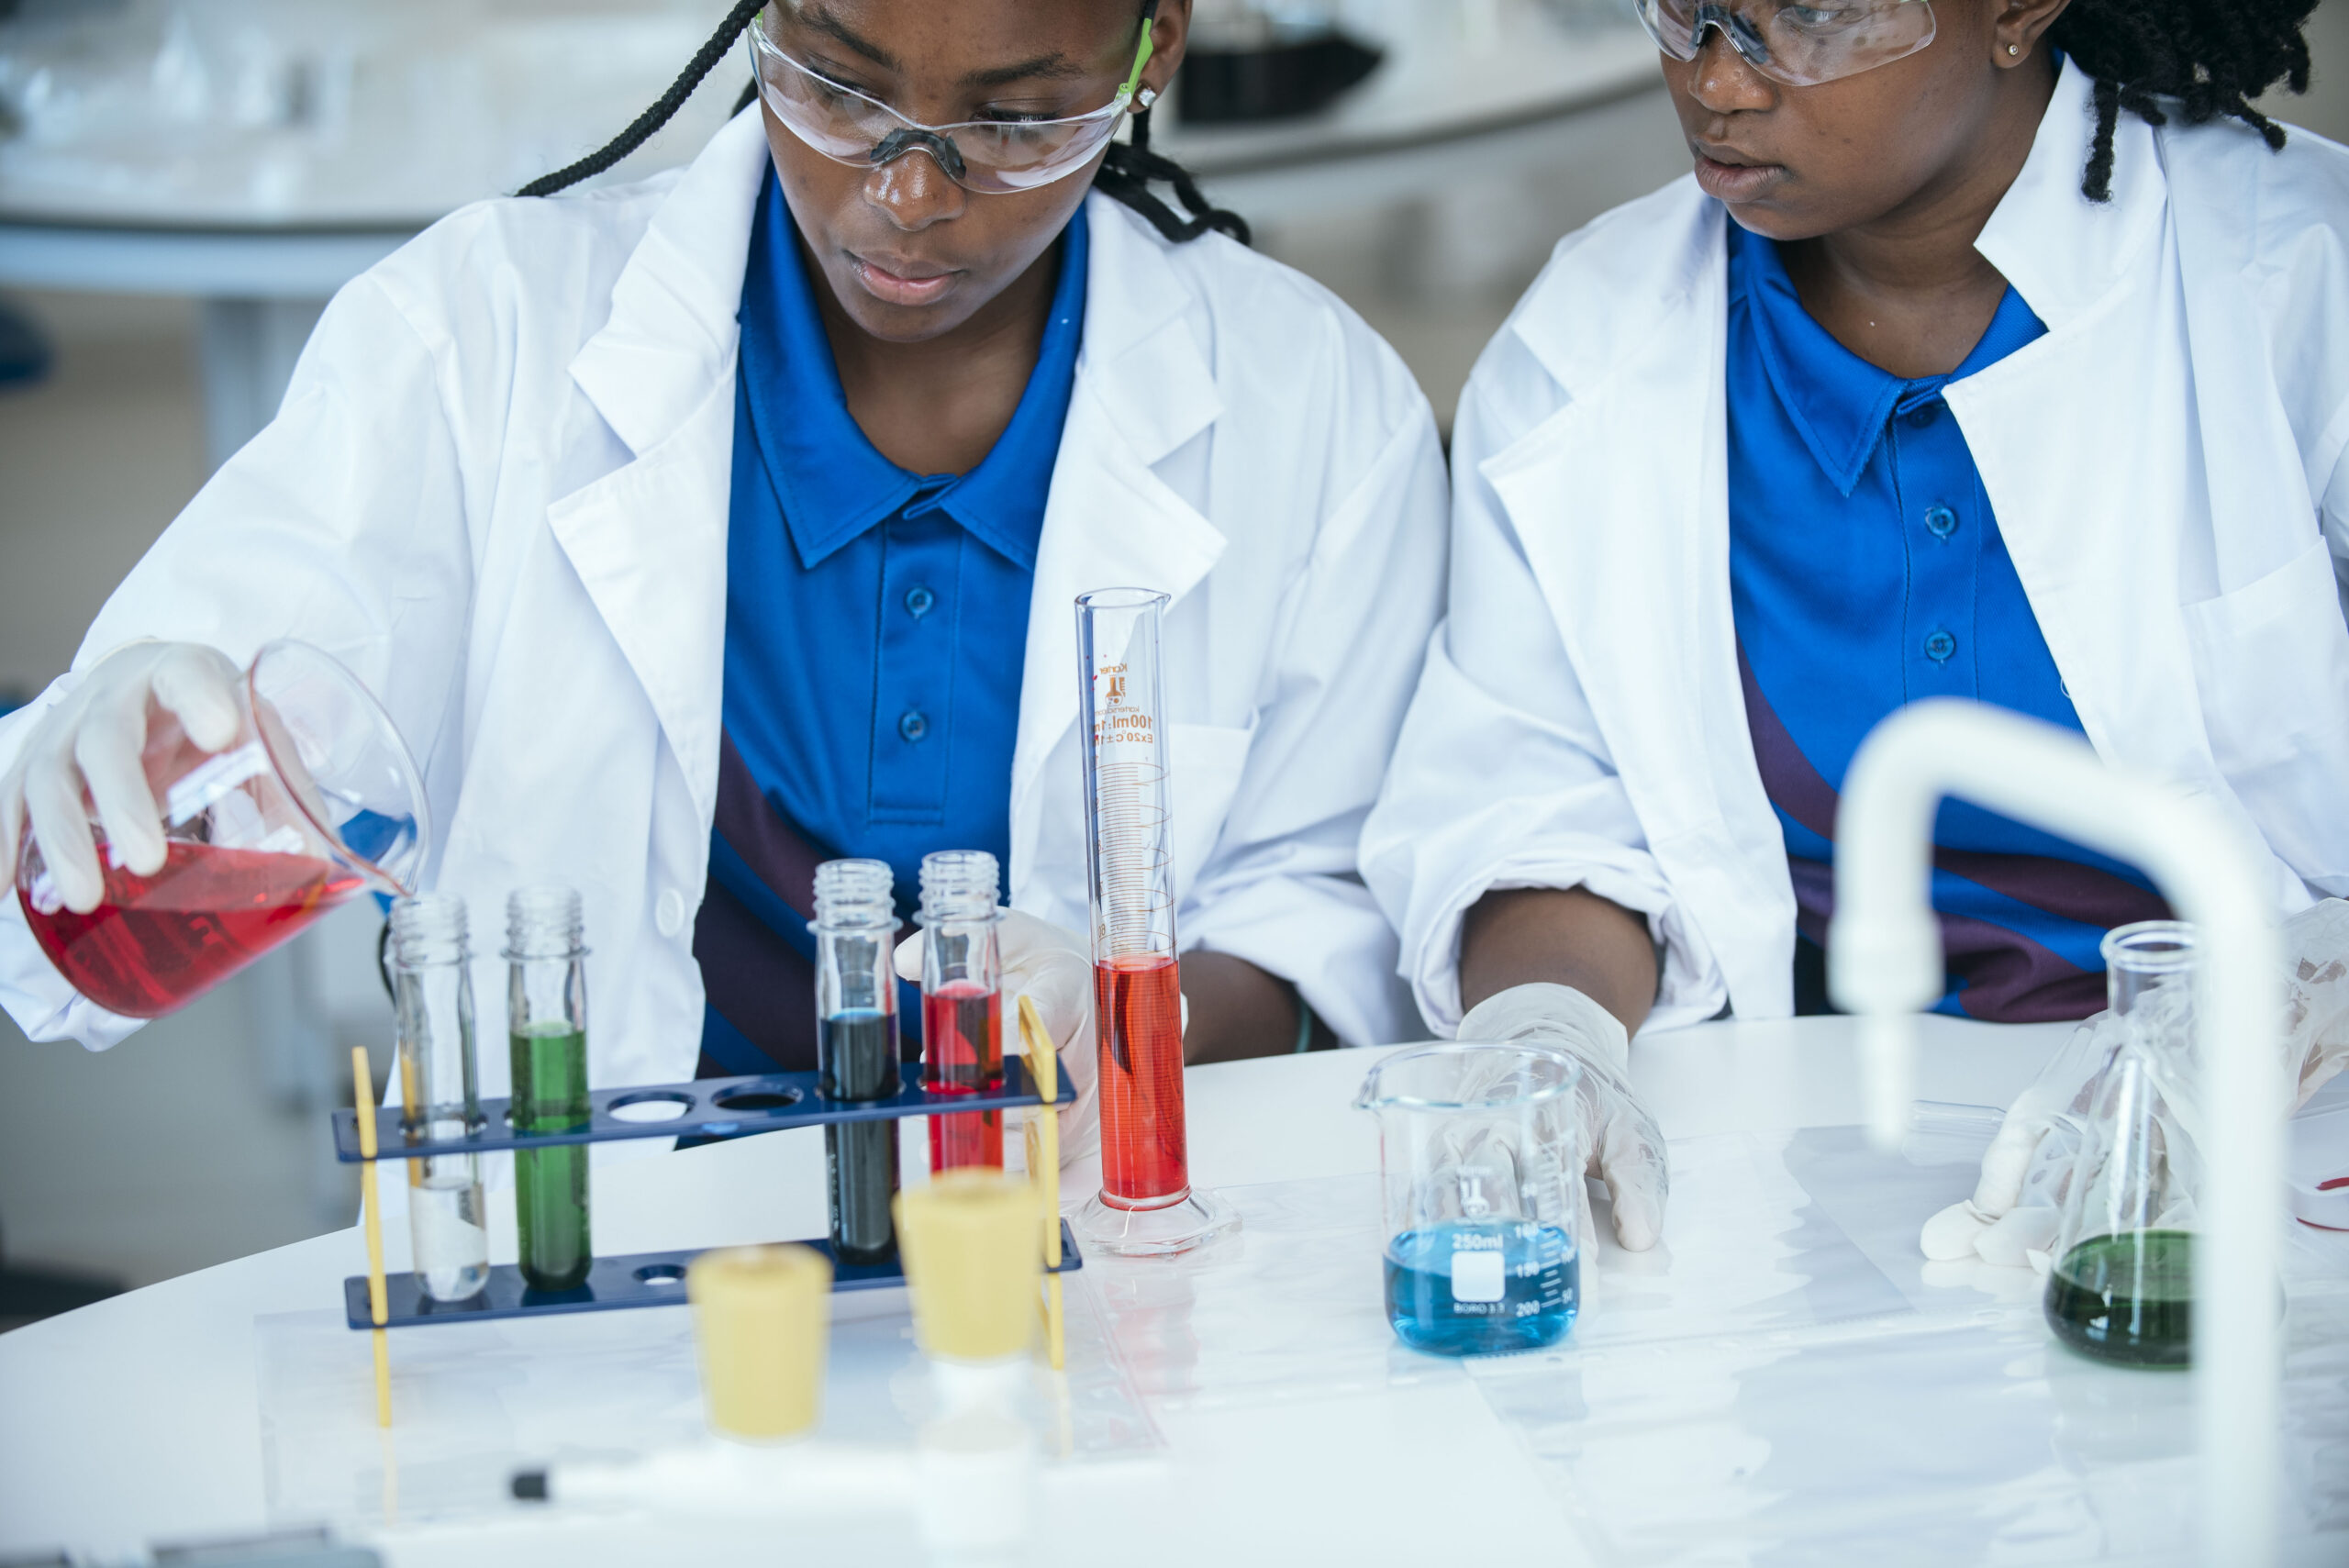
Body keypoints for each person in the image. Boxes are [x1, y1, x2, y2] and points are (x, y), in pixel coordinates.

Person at [0, 0, 1446, 1134]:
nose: (909, 195)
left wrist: (1139, 1014)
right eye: (836, 86)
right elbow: (71, 901)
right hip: (595, 1288)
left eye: (1014, 121)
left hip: (1087, 1283)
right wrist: (96, 761)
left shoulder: (1316, 410)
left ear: (1153, 50)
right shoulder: (483, 341)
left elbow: (1333, 933)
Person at [1362, 0, 2349, 1250]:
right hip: (1800, 1150)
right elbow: (1539, 804)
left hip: (2282, 1146)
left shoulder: (2298, 276)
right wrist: (1547, 1041)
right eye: (1686, 11)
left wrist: (2286, 1002)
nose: (1717, 82)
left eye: (1810, 18)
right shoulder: (1591, 343)